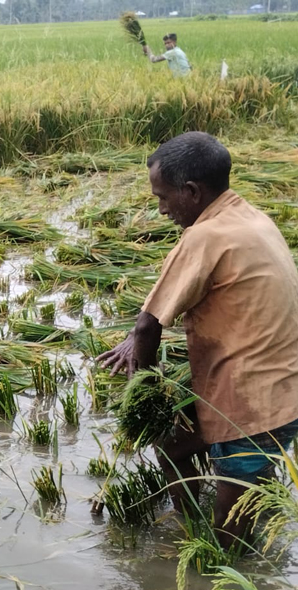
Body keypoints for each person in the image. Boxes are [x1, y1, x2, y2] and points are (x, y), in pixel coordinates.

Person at [98, 132, 298, 548]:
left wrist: (146, 395)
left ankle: (224, 569)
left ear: (191, 191)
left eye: (164, 197)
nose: (161, 208)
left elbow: (148, 327)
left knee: (228, 542)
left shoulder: (205, 237)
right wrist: (138, 337)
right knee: (173, 446)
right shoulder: (249, 217)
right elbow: (152, 319)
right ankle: (189, 523)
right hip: (278, 384)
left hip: (254, 403)